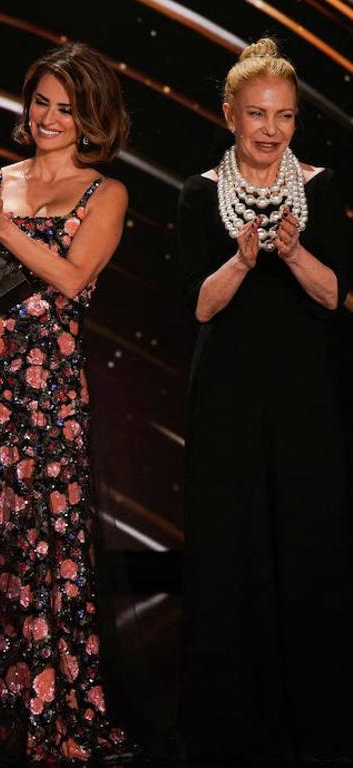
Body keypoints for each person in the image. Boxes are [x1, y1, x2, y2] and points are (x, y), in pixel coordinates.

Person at [0, 43, 132, 765]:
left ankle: (54, 709)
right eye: (42, 102)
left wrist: (7, 231)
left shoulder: (103, 194)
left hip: (48, 398)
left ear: (92, 118)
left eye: (67, 108)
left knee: (50, 543)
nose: (49, 117)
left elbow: (74, 279)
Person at [176, 38, 352, 764]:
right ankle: (231, 727)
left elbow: (338, 296)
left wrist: (293, 253)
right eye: (256, 114)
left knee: (309, 552)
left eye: (283, 115)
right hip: (227, 403)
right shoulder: (196, 193)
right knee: (231, 552)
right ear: (230, 115)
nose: (270, 128)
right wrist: (243, 259)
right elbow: (200, 307)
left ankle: (318, 725)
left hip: (309, 402)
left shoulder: (328, 187)